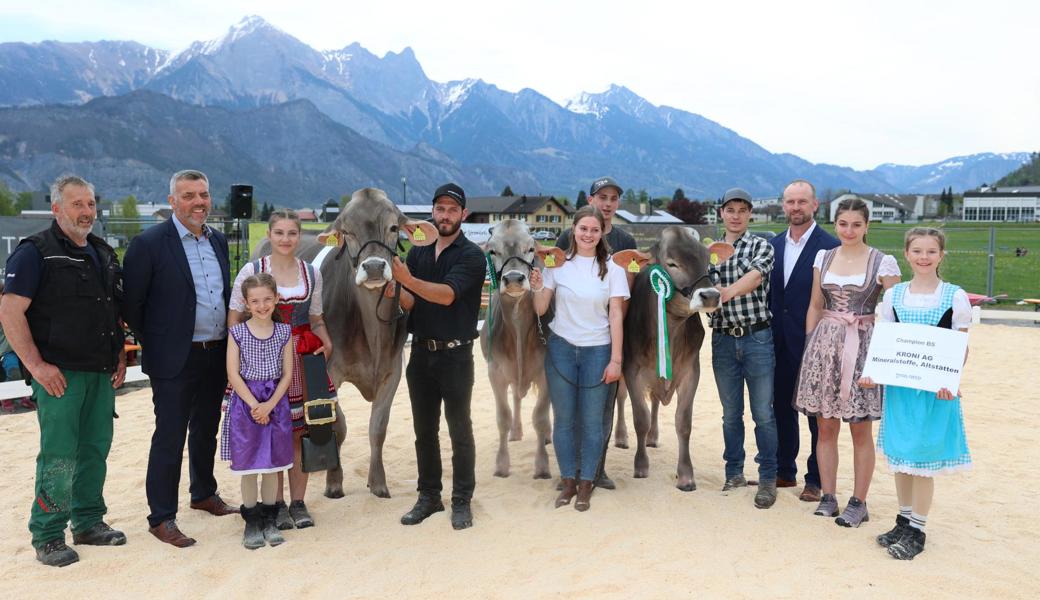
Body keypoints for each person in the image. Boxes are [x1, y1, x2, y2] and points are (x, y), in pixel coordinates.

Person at [0, 175, 127, 567]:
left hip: (100, 373)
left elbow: (111, 310)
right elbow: (10, 311)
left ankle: (88, 522)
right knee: (59, 454)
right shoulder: (35, 252)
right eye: (77, 204)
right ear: (56, 208)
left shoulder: (104, 252)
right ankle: (48, 535)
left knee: (94, 449)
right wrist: (36, 366)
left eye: (91, 204)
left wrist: (120, 356)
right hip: (59, 376)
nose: (87, 212)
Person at [123, 169, 237, 548]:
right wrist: (161, 342)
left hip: (215, 352)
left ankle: (203, 493)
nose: (198, 202)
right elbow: (133, 306)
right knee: (170, 436)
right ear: (172, 201)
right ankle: (161, 517)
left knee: (206, 429)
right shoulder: (149, 244)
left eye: (203, 195)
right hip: (174, 358)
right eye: (189, 196)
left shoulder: (218, 240)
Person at [864, 227, 972, 560]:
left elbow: (960, 346)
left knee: (922, 461)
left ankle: (918, 530)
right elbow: (885, 342)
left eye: (931, 251)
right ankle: (904, 519)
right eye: (917, 251)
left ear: (941, 255)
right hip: (901, 389)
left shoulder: (954, 296)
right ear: (907, 254)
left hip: (935, 392)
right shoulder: (894, 296)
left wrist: (950, 379)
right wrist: (873, 372)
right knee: (902, 458)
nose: (924, 257)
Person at [793, 197, 900, 527]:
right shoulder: (823, 257)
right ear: (835, 224)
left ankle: (859, 502)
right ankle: (828, 496)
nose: (849, 230)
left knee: (859, 428)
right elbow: (815, 305)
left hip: (863, 346)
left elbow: (895, 313)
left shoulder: (883, 262)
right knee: (825, 426)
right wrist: (811, 346)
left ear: (867, 226)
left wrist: (883, 358)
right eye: (843, 224)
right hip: (824, 345)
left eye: (856, 224)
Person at [227, 209, 333, 530]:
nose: (286, 239)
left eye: (292, 233)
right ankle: (277, 504)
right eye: (279, 233)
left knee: (300, 432)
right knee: (272, 432)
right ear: (269, 235)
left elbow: (316, 319)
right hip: (261, 361)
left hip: (300, 359)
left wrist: (327, 342)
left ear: (299, 236)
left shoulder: (312, 273)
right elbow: (235, 317)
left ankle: (298, 502)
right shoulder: (252, 270)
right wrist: (241, 353)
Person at [390, 183, 487, 530]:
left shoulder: (472, 255)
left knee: (460, 429)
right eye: (440, 209)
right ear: (433, 212)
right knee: (424, 430)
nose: (445, 215)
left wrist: (406, 279)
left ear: (463, 214)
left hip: (456, 355)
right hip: (420, 352)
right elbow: (410, 302)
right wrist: (393, 287)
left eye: (452, 210)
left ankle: (461, 500)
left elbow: (447, 295)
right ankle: (429, 496)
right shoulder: (418, 253)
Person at [531, 206, 628, 511]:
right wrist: (537, 287)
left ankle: (587, 482)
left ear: (602, 233)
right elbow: (540, 308)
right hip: (561, 348)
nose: (588, 234)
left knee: (592, 422)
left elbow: (616, 314)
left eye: (594, 230)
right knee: (563, 420)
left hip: (598, 350)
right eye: (583, 228)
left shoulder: (613, 268)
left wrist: (616, 360)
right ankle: (568, 482)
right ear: (573, 229)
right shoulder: (557, 264)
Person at [554, 176, 636, 489]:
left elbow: (630, 287)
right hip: (570, 336)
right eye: (602, 197)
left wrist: (618, 342)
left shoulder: (626, 240)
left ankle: (596, 470)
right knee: (570, 408)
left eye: (613, 198)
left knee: (602, 409)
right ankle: (570, 471)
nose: (608, 203)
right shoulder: (568, 236)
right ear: (590, 200)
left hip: (609, 333)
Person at [768, 180, 839, 502]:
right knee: (782, 408)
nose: (795, 207)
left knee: (816, 415)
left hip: (815, 341)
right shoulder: (773, 245)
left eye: (801, 201)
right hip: (777, 341)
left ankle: (815, 479)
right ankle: (785, 471)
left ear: (814, 205)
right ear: (783, 205)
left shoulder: (831, 247)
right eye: (790, 202)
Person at [710, 187, 779, 509]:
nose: (736, 216)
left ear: (750, 214)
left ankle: (767, 478)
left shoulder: (761, 245)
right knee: (730, 415)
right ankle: (734, 473)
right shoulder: (710, 251)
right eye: (730, 210)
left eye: (742, 210)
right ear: (721, 213)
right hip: (722, 338)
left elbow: (754, 277)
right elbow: (701, 285)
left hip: (757, 338)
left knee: (763, 413)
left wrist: (723, 293)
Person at [225, 273, 295, 549]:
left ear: (276, 298)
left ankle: (269, 519)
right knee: (250, 466)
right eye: (255, 301)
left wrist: (270, 405)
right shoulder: (238, 333)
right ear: (246, 303)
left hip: (275, 404)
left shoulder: (284, 332)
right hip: (247, 405)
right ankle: (252, 521)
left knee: (271, 466)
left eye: (267, 299)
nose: (262, 305)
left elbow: (287, 374)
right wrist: (255, 405)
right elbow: (233, 374)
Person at [0, 282, 36, 414]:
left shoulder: (16, 306)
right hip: (7, 351)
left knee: (28, 372)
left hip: (22, 348)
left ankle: (25, 397)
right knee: (13, 369)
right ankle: (6, 398)